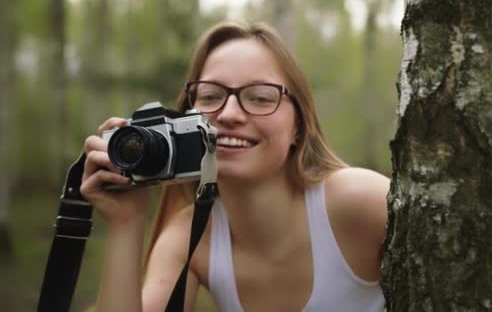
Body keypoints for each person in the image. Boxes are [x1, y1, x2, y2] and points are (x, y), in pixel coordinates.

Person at [81, 21, 389, 312]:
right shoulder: (191, 237)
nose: (228, 114)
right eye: (211, 96)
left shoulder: (358, 201)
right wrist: (125, 221)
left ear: (299, 125)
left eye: (259, 97)